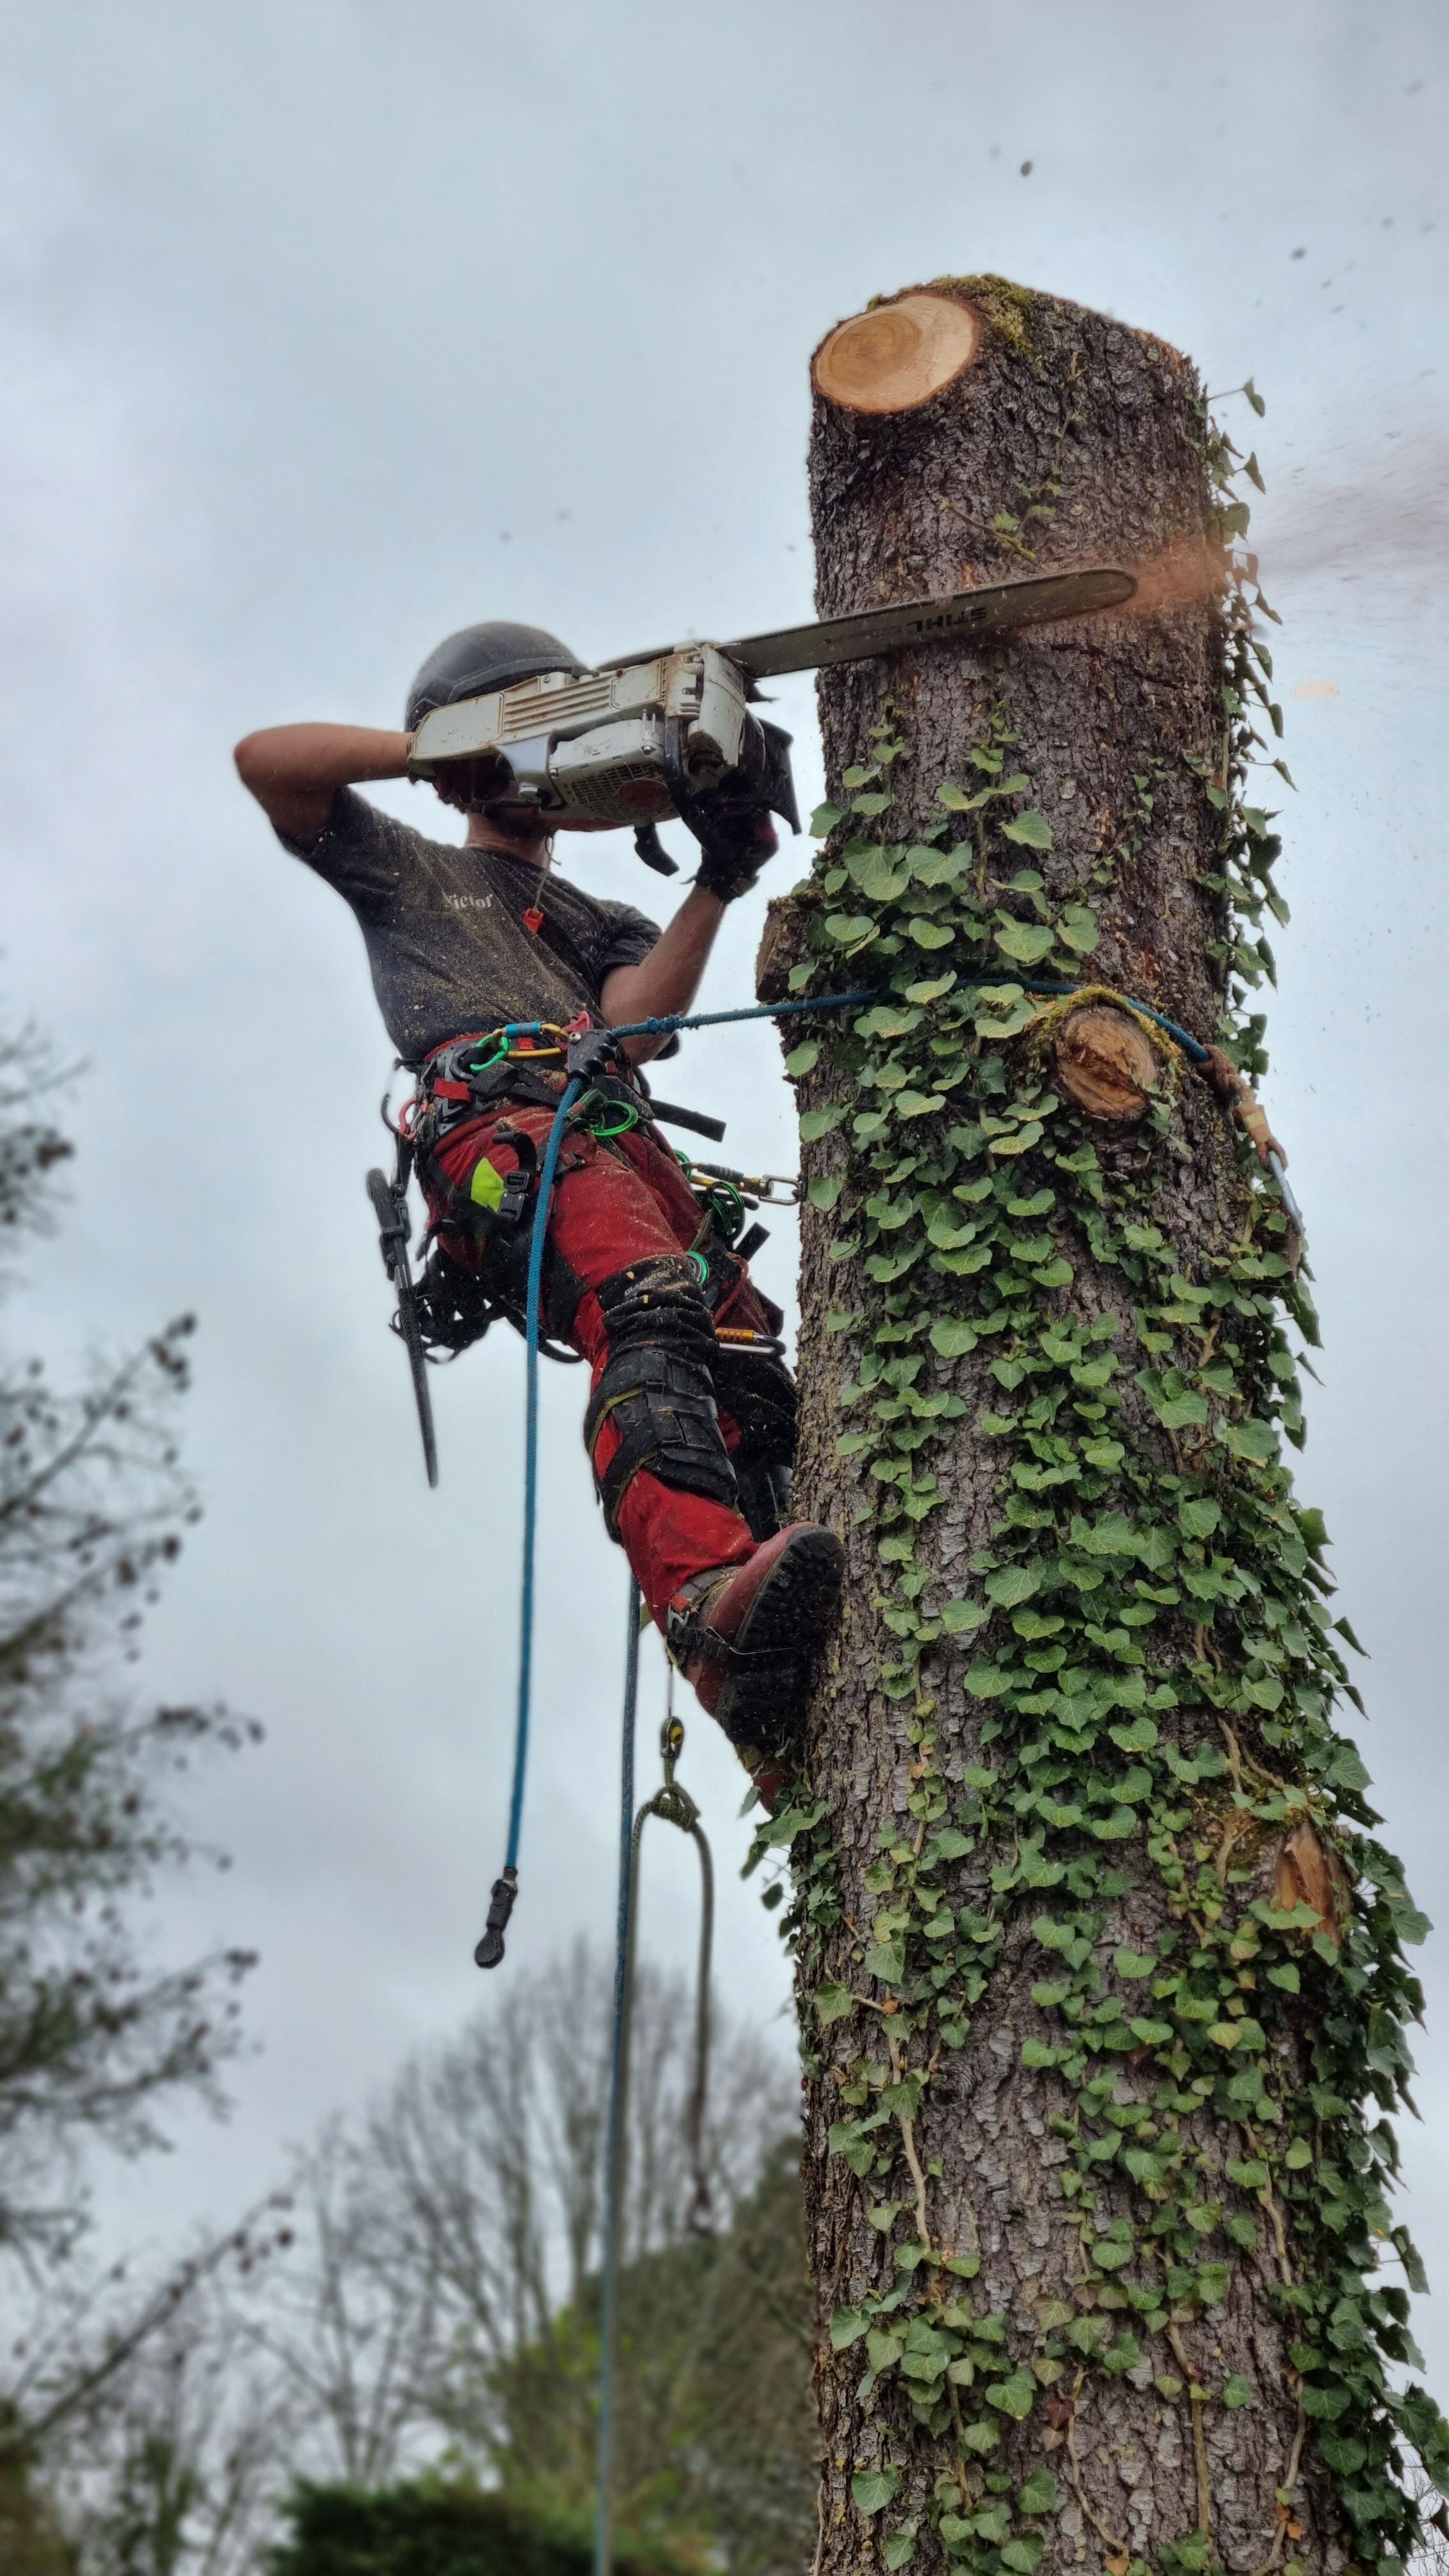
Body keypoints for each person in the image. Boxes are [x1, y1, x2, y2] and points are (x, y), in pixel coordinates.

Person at [234, 620, 843, 1795]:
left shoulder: (596, 917)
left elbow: (640, 1026)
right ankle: (706, 1608)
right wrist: (437, 750)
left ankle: (782, 1687)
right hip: (505, 1132)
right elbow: (268, 762)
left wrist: (720, 877)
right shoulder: (408, 869)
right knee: (649, 1310)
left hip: (615, 1133)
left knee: (753, 1378)